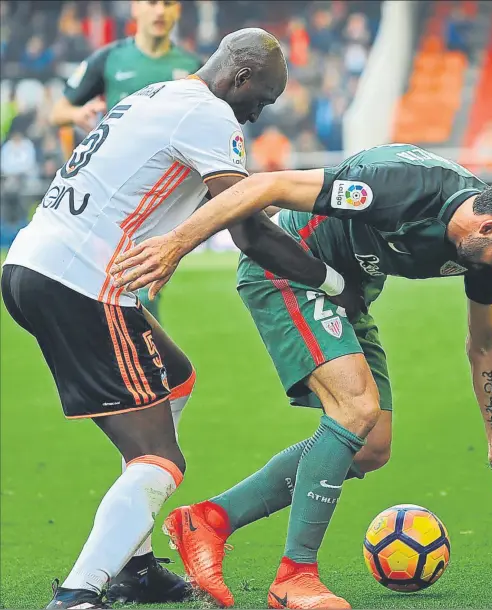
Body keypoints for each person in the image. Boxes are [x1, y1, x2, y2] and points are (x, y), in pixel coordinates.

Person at [110, 144, 492, 609]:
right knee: (356, 408)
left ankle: (208, 521)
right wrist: (176, 243)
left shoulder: (481, 249)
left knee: (370, 448)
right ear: (489, 226)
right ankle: (295, 576)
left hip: (346, 293)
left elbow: (485, 344)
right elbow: (267, 186)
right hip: (288, 271)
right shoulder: (399, 188)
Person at [2, 28, 360, 610]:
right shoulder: (210, 115)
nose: (258, 113)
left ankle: (136, 568)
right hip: (83, 283)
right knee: (160, 461)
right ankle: (79, 594)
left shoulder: (154, 95)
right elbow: (249, 231)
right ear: (240, 78)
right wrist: (334, 283)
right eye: (261, 99)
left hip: (31, 263)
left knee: (173, 378)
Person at [50, 0, 202, 323]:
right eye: (152, 3)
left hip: (161, 199)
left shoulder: (193, 66)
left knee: (137, 288)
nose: (160, 12)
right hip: (111, 194)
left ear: (178, 11)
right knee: (113, 286)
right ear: (135, 9)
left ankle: (134, 362)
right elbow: (57, 111)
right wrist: (80, 113)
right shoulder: (110, 58)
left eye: (169, 4)